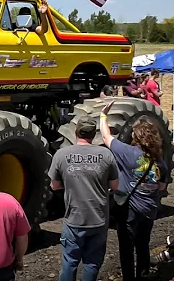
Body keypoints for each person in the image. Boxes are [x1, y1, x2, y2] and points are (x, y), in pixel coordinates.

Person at [99, 100, 168, 281]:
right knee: (143, 244)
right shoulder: (160, 161)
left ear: (135, 137)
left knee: (126, 248)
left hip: (129, 209)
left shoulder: (128, 153)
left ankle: (129, 278)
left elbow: (106, 137)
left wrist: (103, 115)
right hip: (149, 210)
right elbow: (162, 186)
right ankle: (143, 275)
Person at [48, 116, 119, 281]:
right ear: (94, 134)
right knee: (92, 263)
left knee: (69, 262)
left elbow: (55, 186)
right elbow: (115, 186)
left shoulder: (61, 154)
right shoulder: (106, 154)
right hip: (99, 219)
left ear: (76, 132)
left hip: (74, 219)